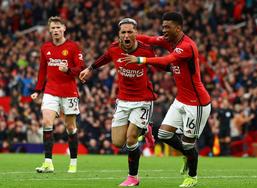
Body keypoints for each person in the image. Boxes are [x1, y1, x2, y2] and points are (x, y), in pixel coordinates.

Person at [121, 12, 211, 187]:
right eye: (163, 27)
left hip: (197, 103)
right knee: (163, 134)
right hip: (181, 100)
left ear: (178, 28)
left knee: (188, 143)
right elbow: (150, 39)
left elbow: (168, 59)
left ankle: (192, 177)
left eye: (167, 27)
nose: (163, 31)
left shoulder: (187, 46)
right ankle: (187, 154)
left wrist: (141, 59)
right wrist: (129, 34)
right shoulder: (168, 40)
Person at [79, 18, 161, 186]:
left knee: (131, 139)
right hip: (123, 100)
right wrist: (90, 69)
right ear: (119, 35)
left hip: (143, 100)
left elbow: (160, 64)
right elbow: (104, 58)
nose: (126, 35)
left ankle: (133, 177)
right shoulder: (114, 49)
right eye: (123, 32)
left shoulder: (146, 50)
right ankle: (145, 128)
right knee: (117, 142)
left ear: (136, 34)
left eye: (130, 31)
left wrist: (175, 64)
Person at [31, 16, 85, 173]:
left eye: (58, 27)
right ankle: (48, 162)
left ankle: (73, 162)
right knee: (47, 122)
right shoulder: (45, 48)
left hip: (69, 92)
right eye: (53, 28)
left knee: (70, 127)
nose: (55, 30)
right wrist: (37, 90)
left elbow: (81, 68)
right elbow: (42, 70)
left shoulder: (73, 47)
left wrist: (68, 70)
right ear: (49, 30)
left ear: (64, 28)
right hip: (51, 91)